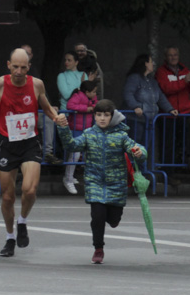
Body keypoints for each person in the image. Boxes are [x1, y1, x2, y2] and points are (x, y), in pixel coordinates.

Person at [0, 47, 67, 257]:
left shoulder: (37, 85)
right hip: (8, 144)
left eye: (23, 67)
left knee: (30, 190)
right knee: (7, 197)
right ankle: (9, 237)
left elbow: (48, 108)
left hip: (30, 142)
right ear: (8, 65)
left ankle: (22, 221)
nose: (19, 71)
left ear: (28, 67)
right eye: (15, 67)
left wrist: (56, 118)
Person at [56, 99, 146, 264]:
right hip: (94, 182)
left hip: (116, 185)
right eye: (99, 115)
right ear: (94, 116)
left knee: (113, 220)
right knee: (97, 216)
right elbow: (71, 145)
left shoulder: (121, 136)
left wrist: (140, 152)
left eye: (106, 115)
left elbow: (136, 149)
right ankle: (98, 248)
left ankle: (113, 217)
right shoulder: (89, 134)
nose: (102, 118)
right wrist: (63, 127)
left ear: (112, 117)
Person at [156, 46, 190, 172]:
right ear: (165, 57)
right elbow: (167, 89)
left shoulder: (184, 69)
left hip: (185, 112)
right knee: (168, 144)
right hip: (168, 114)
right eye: (170, 55)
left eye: (175, 55)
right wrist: (185, 80)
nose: (173, 57)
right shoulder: (161, 72)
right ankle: (169, 173)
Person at [123, 53, 178, 145]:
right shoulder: (134, 78)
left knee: (145, 147)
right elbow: (128, 93)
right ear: (145, 63)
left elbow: (160, 97)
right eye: (151, 62)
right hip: (136, 120)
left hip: (149, 120)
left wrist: (170, 109)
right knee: (134, 146)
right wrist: (135, 106)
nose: (153, 64)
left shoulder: (152, 81)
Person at [63, 79, 100, 194]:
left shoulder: (93, 98)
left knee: (89, 154)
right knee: (75, 155)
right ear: (87, 92)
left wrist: (94, 106)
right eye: (93, 92)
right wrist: (86, 108)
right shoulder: (78, 96)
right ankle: (68, 179)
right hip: (76, 129)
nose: (95, 94)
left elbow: (96, 104)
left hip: (88, 129)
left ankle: (90, 180)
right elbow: (70, 105)